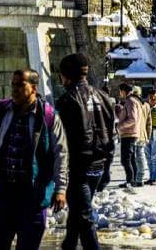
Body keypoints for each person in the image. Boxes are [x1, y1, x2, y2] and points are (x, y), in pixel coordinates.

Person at [0, 69, 68, 249]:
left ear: (33, 88)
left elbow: (61, 153)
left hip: (32, 198)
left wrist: (61, 188)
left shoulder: (48, 116)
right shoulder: (1, 112)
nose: (15, 89)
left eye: (20, 85)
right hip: (2, 196)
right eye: (13, 84)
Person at [56, 54, 116, 250]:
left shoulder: (68, 99)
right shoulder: (104, 97)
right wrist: (107, 165)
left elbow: (64, 140)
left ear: (66, 75)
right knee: (77, 213)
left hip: (78, 166)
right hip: (99, 164)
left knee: (84, 217)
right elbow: (112, 133)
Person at [115, 83, 143, 188]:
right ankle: (132, 180)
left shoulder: (130, 101)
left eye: (120, 91)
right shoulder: (134, 100)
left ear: (123, 91)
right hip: (132, 133)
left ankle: (130, 181)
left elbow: (133, 119)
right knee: (131, 159)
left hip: (129, 133)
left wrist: (120, 126)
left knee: (126, 159)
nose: (119, 93)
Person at [143, 91, 156, 184]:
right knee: (148, 155)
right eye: (150, 97)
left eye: (154, 97)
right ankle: (151, 177)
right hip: (147, 133)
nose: (152, 99)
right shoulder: (146, 108)